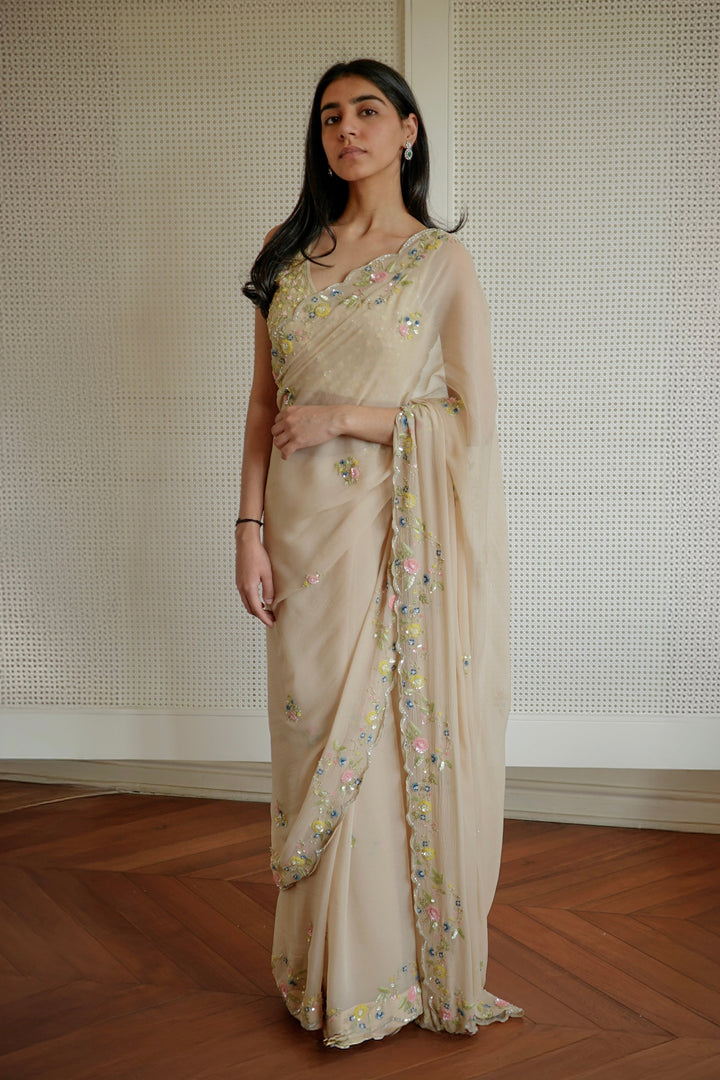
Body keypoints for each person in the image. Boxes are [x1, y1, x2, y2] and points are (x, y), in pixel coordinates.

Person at [235, 58, 523, 1049]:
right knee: (309, 735)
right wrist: (247, 530)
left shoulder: (440, 262)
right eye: (328, 117)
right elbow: (263, 407)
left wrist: (347, 419)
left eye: (366, 112)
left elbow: (470, 420)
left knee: (383, 755)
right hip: (296, 533)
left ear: (407, 130)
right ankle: (312, 971)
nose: (345, 130)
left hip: (387, 540)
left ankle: (377, 977)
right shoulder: (287, 249)